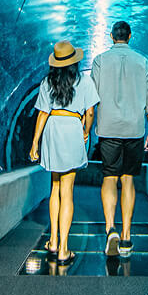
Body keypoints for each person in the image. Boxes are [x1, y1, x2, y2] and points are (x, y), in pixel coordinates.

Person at [29, 40, 99, 265]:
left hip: (52, 128)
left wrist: (35, 144)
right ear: (74, 62)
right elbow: (90, 112)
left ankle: (53, 241)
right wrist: (86, 132)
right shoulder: (85, 81)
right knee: (67, 191)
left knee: (55, 188)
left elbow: (42, 114)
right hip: (72, 129)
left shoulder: (47, 82)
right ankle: (64, 249)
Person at [91, 21, 148, 258]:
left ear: (111, 36)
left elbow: (93, 95)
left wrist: (87, 125)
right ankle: (127, 238)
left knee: (109, 177)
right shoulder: (143, 62)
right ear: (130, 36)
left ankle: (110, 229)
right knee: (128, 180)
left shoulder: (99, 60)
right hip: (134, 129)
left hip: (108, 128)